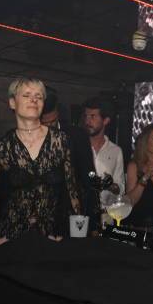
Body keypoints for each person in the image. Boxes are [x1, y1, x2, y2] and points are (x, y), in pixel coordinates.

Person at [0, 77, 81, 248]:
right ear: (12, 102)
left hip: (52, 241)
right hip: (11, 241)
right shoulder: (2, 148)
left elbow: (74, 196)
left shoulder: (61, 142)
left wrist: (76, 242)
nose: (34, 99)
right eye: (26, 95)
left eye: (39, 96)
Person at [40, 87, 96, 230]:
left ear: (58, 114)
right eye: (43, 123)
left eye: (52, 122)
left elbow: (89, 180)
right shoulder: (25, 139)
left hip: (70, 216)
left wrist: (93, 223)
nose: (48, 128)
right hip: (38, 217)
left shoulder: (77, 136)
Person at [82, 97, 124, 226]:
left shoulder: (115, 151)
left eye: (93, 116)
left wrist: (109, 185)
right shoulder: (77, 146)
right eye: (86, 116)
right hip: (81, 215)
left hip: (106, 217)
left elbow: (120, 188)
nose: (88, 121)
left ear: (105, 121)